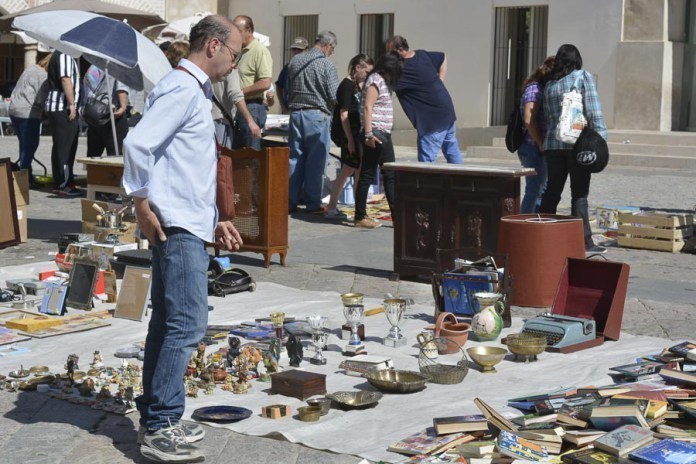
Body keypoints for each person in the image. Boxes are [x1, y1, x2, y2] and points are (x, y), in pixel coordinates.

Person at [122, 15, 243, 463]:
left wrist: (213, 219)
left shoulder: (192, 90)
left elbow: (183, 167)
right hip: (175, 226)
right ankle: (160, 425)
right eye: (234, 53)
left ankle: (158, 416)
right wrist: (140, 202)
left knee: (168, 322)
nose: (235, 63)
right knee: (186, 324)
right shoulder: (182, 88)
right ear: (213, 46)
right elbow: (139, 145)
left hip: (186, 220)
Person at [540, 44, 607, 254]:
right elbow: (593, 111)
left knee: (552, 191)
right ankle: (583, 241)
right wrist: (600, 142)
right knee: (579, 195)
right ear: (577, 59)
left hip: (553, 144)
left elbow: (548, 117)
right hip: (577, 145)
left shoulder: (550, 84)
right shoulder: (582, 77)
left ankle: (543, 233)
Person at [385, 35, 462, 164]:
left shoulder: (401, 70)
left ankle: (428, 183)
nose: (387, 55)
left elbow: (381, 82)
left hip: (432, 121)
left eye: (389, 52)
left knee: (426, 162)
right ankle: (464, 181)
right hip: (446, 111)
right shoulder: (421, 55)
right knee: (451, 149)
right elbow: (443, 57)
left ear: (400, 50)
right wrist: (440, 81)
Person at [287, 30, 340, 214]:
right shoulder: (326, 65)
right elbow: (334, 96)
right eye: (332, 49)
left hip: (295, 114)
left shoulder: (295, 61)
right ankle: (313, 203)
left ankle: (290, 200)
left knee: (295, 159)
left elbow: (287, 87)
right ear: (328, 45)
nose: (331, 52)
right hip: (317, 116)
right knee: (316, 162)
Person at [354, 52, 401, 229]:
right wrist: (368, 134)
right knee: (367, 174)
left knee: (390, 173)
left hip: (383, 133)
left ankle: (397, 216)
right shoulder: (375, 79)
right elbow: (367, 107)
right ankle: (360, 216)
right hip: (375, 133)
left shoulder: (383, 80)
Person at [324, 53, 374, 220]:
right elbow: (343, 114)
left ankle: (351, 209)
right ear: (357, 68)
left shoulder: (356, 85)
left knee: (351, 169)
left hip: (354, 133)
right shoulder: (346, 86)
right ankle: (356, 211)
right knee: (350, 169)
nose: (367, 76)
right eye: (366, 72)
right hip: (349, 134)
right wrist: (350, 140)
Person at [517, 56, 554, 214]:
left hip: (536, 146)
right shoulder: (535, 89)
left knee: (540, 189)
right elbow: (528, 119)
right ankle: (525, 224)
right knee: (534, 190)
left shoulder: (541, 87)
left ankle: (535, 223)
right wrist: (540, 142)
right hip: (532, 147)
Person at [9, 53, 51, 185]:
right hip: (28, 113)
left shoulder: (31, 68)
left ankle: (28, 176)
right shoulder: (44, 76)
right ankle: (23, 177)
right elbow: (41, 100)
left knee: (24, 145)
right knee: (30, 146)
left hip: (14, 109)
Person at [231, 15, 273, 150]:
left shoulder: (259, 51)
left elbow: (265, 83)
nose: (234, 34)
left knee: (250, 154)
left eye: (238, 30)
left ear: (249, 31)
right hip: (240, 107)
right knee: (239, 153)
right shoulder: (241, 51)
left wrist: (239, 92)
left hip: (252, 107)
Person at [46, 50, 82, 196]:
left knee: (60, 146)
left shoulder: (59, 54)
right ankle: (64, 184)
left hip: (58, 106)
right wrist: (72, 104)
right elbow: (66, 79)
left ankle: (60, 182)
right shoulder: (65, 54)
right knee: (66, 146)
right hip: (62, 107)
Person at [82, 65, 130, 157]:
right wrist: (123, 107)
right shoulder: (119, 65)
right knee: (116, 154)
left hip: (95, 113)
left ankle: (93, 171)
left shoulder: (95, 66)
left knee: (93, 154)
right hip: (111, 113)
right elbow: (121, 88)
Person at [212, 69, 260, 149]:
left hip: (208, 116)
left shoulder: (209, 64)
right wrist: (250, 121)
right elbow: (235, 94)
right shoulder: (231, 69)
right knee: (222, 157)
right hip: (221, 119)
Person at [275, 37, 308, 114]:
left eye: (299, 50)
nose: (296, 52)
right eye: (294, 49)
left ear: (306, 50)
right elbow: (279, 86)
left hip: (306, 111)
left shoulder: (311, 67)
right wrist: (283, 106)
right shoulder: (287, 67)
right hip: (290, 110)